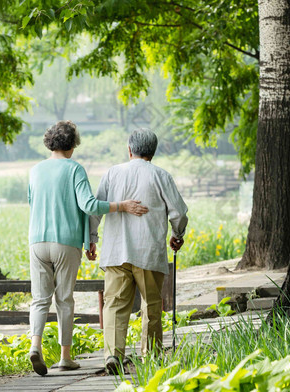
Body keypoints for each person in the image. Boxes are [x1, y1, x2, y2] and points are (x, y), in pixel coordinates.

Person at [27, 120, 148, 376]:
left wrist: (87, 238)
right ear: (72, 144)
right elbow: (90, 206)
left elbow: (32, 202)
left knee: (40, 299)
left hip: (37, 241)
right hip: (65, 242)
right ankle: (65, 357)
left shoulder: (35, 170)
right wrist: (121, 206)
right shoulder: (75, 169)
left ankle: (35, 346)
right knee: (64, 299)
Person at [92, 127, 188, 375]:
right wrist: (178, 235)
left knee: (114, 305)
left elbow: (97, 209)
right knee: (152, 305)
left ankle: (113, 354)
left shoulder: (112, 173)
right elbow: (178, 213)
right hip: (148, 252)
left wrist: (91, 238)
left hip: (115, 251)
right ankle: (152, 356)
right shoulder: (161, 176)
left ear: (129, 149)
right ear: (153, 153)